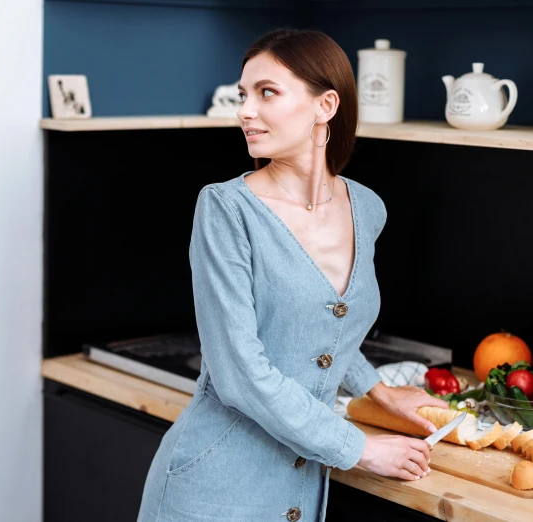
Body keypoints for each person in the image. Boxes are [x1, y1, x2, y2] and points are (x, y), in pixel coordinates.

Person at [136, 28, 450, 522]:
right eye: (243, 94)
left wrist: (380, 393)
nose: (244, 110)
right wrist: (360, 446)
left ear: (326, 105)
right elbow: (238, 373)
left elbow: (323, 328)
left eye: (267, 93)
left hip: (300, 492)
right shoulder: (225, 208)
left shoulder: (365, 208)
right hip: (216, 487)